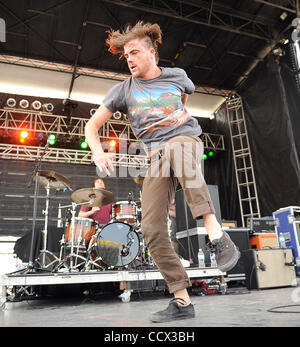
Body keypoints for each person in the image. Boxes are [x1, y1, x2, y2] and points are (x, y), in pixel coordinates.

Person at [85, 21, 240, 322]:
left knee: (178, 145)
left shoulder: (177, 76)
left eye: (135, 52)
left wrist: (176, 122)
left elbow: (183, 99)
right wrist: (98, 150)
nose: (129, 59)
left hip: (186, 142)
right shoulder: (122, 90)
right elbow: (91, 126)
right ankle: (182, 301)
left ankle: (216, 233)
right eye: (126, 55)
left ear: (152, 53)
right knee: (152, 229)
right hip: (156, 157)